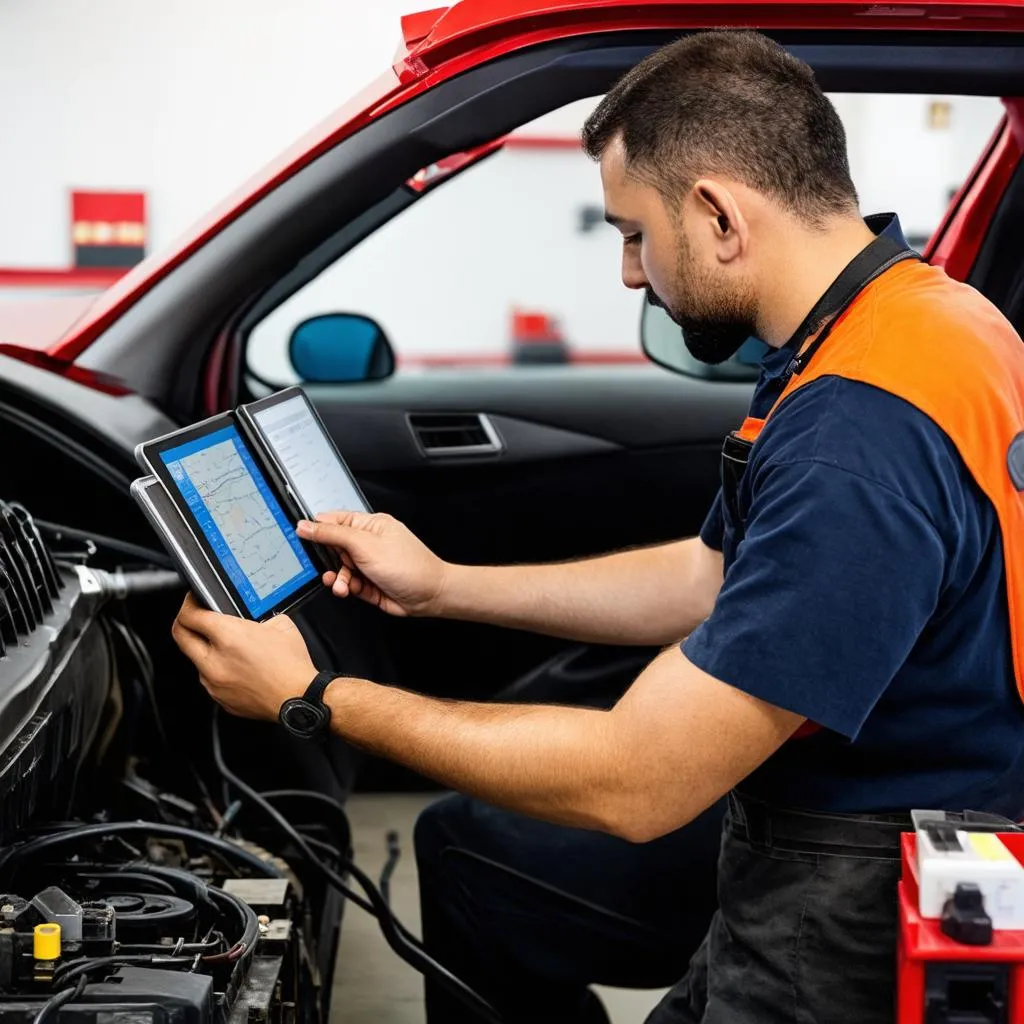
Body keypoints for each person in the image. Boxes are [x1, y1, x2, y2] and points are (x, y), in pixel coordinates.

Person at [171, 30, 1024, 1024]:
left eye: (631, 232)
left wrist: (311, 697)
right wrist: (442, 582)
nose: (629, 272)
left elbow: (638, 781)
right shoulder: (917, 324)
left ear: (715, 213)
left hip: (850, 897)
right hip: (884, 828)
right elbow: (711, 577)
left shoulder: (856, 434)